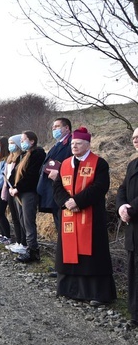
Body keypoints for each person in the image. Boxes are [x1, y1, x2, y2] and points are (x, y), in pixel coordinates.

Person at [53, 127, 116, 305]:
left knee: (92, 254)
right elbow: (57, 187)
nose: (74, 146)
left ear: (88, 145)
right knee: (69, 251)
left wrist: (77, 201)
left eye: (78, 143)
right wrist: (66, 202)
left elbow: (99, 187)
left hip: (91, 215)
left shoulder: (99, 163)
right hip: (68, 215)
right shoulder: (65, 164)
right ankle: (70, 289)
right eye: (72, 143)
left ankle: (96, 294)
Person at [9, 131, 46, 263]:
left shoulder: (38, 154)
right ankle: (28, 247)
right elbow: (15, 173)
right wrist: (13, 186)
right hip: (19, 192)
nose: (22, 142)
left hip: (29, 192)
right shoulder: (24, 155)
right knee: (22, 220)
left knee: (29, 221)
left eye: (24, 139)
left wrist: (18, 187)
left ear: (32, 141)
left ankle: (33, 250)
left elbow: (32, 176)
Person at [117, 127, 138, 324]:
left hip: (135, 216)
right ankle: (135, 313)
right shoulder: (133, 164)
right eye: (134, 138)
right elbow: (122, 188)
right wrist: (121, 206)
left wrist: (131, 209)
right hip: (133, 228)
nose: (135, 140)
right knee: (134, 270)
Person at [37, 117, 73, 232]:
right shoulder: (57, 144)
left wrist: (58, 173)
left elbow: (70, 162)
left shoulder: (71, 143)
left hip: (63, 189)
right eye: (53, 127)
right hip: (52, 189)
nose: (54, 129)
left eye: (57, 127)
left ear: (66, 128)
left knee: (64, 226)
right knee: (58, 224)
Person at [3, 134, 25, 253]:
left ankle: (23, 242)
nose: (10, 145)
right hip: (10, 190)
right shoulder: (9, 158)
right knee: (15, 218)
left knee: (20, 217)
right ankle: (18, 241)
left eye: (12, 143)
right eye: (9, 143)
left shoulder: (20, 158)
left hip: (17, 190)